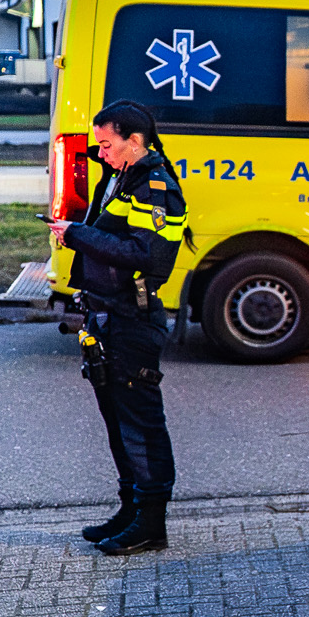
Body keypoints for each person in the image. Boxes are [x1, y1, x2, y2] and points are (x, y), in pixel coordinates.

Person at [47, 100, 189, 555]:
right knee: (118, 422)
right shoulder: (123, 178)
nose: (101, 152)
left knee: (141, 426)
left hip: (131, 318)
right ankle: (131, 509)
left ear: (134, 139)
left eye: (107, 144)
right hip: (107, 316)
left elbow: (148, 256)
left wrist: (77, 234)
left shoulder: (155, 186)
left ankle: (151, 523)